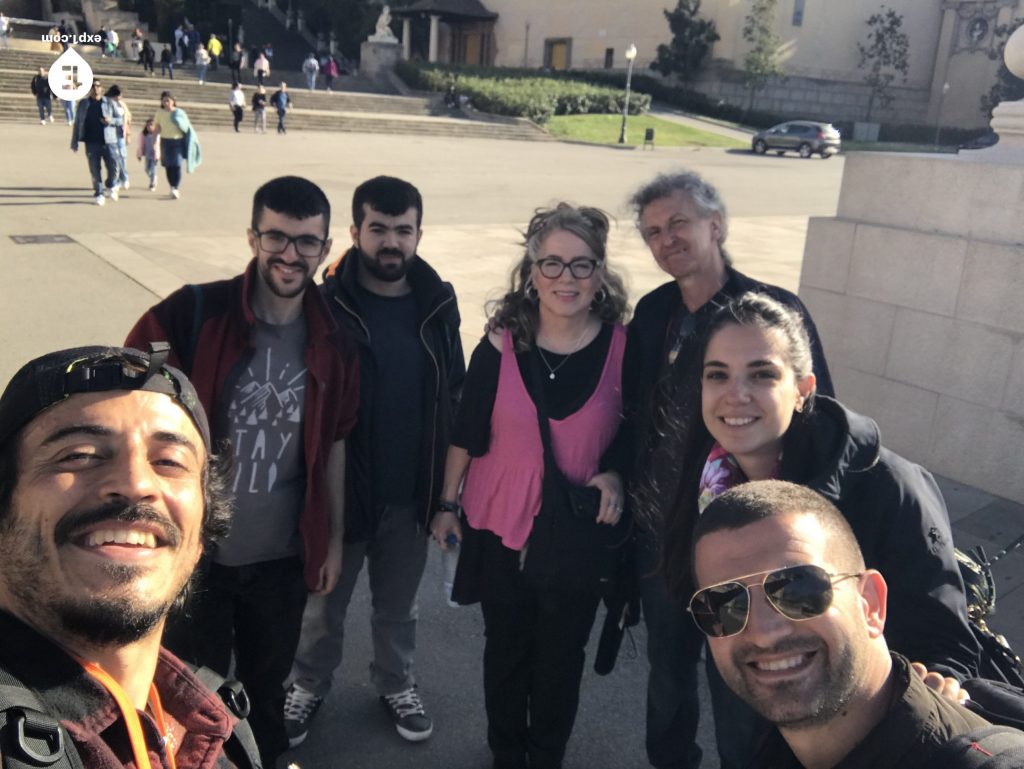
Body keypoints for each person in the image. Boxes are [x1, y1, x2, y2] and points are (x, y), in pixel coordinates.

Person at [657, 291, 982, 765]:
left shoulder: (887, 484)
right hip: (751, 696)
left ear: (804, 388)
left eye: (762, 373)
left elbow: (943, 640)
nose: (736, 394)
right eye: (717, 375)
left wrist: (934, 682)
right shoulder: (706, 478)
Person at [125, 175, 360, 767]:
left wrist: (329, 539)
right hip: (198, 552)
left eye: (307, 242)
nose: (290, 254)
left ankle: (265, 758)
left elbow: (335, 442)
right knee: (185, 688)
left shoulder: (336, 338)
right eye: (276, 237)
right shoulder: (191, 314)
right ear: (252, 236)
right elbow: (128, 410)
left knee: (266, 685)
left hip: (280, 556)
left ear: (326, 248)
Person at [621, 171, 834, 769]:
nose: (667, 240)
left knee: (745, 683)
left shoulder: (771, 312)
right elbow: (635, 412)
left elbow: (817, 423)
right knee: (668, 673)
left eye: (679, 224)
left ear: (716, 225)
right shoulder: (654, 311)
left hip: (748, 544)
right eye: (653, 232)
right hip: (665, 538)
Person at [430, 204, 629, 769]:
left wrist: (615, 471)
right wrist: (447, 505)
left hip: (576, 534)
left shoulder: (623, 348)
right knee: (508, 650)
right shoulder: (500, 346)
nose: (566, 279)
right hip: (500, 527)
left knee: (561, 657)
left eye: (581, 265)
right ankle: (505, 753)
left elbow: (637, 432)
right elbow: (465, 432)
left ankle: (545, 757)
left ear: (600, 272)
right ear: (532, 270)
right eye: (552, 264)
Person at [0, 343, 260, 769]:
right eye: (79, 455)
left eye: (170, 461)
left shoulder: (217, 721)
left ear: (199, 539)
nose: (136, 483)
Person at [284, 176, 465, 747]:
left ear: (418, 234)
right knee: (322, 602)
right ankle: (307, 684)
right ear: (356, 231)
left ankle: (395, 682)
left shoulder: (439, 303)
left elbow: (455, 397)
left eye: (403, 231)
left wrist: (446, 499)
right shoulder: (327, 302)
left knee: (398, 607)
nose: (392, 243)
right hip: (343, 488)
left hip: (410, 490)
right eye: (379, 230)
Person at [688, 480, 1023, 768]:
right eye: (723, 604)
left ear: (871, 603)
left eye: (797, 587)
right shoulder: (779, 750)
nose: (763, 632)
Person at [71, 80, 122, 206]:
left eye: (97, 86)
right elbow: (77, 122)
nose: (95, 88)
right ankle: (99, 193)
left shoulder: (109, 102)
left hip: (109, 140)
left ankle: (111, 185)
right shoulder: (83, 103)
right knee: (94, 169)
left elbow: (120, 120)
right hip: (91, 141)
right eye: (92, 86)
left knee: (114, 167)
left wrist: (110, 121)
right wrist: (74, 141)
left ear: (102, 89)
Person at [151, 91, 200, 200]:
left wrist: (179, 123)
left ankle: (176, 188)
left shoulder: (179, 113)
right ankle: (172, 186)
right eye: (164, 101)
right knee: (169, 166)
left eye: (168, 100)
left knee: (177, 164)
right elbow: (157, 128)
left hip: (178, 141)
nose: (166, 103)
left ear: (173, 101)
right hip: (165, 141)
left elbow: (186, 127)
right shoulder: (160, 113)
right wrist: (154, 142)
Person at [106, 84, 132, 191]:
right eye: (117, 96)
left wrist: (128, 134)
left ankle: (124, 178)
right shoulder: (106, 104)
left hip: (121, 134)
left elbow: (128, 120)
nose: (118, 98)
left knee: (122, 157)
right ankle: (115, 181)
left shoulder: (122, 105)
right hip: (110, 135)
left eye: (120, 96)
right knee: (113, 159)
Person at [137, 116, 161, 191]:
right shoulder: (144, 135)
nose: (149, 127)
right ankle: (153, 177)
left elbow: (161, 145)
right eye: (148, 125)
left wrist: (161, 154)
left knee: (153, 169)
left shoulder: (157, 135)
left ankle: (152, 184)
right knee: (147, 169)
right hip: (147, 154)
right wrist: (139, 154)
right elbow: (141, 145)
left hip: (155, 155)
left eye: (151, 125)